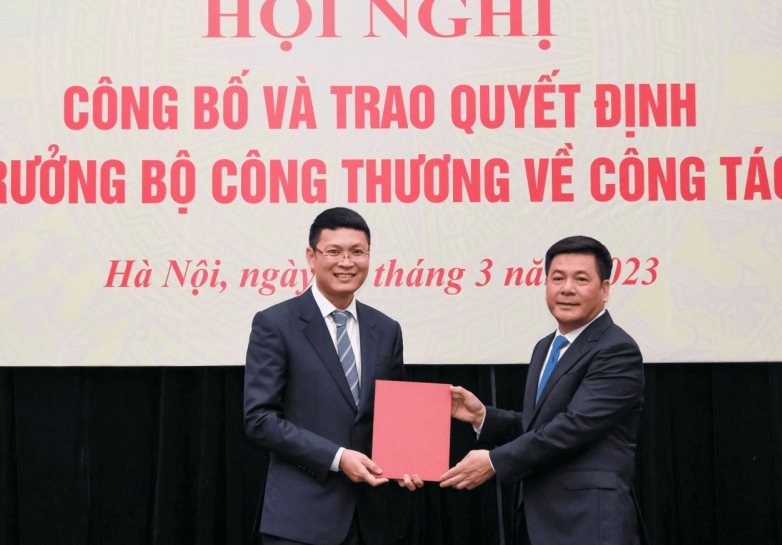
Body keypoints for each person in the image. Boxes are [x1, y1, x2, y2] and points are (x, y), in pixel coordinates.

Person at [440, 236, 645, 545]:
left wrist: (495, 461)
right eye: (557, 278)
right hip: (538, 522)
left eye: (581, 279)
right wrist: (483, 417)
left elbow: (574, 427)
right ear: (546, 284)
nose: (567, 289)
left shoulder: (616, 349)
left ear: (605, 290)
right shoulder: (545, 347)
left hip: (588, 523)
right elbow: (540, 426)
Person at [244, 207, 423, 545]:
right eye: (334, 251)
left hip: (375, 519)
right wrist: (338, 458)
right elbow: (260, 420)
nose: (346, 262)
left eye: (357, 252)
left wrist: (408, 462)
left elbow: (395, 417)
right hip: (302, 520)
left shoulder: (386, 329)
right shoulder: (275, 324)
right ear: (311, 257)